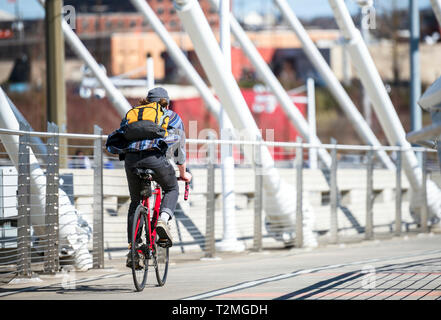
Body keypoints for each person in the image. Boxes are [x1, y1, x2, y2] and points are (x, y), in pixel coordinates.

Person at [106, 87, 191, 268]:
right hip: (155, 159)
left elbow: (122, 135)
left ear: (147, 101)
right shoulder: (171, 116)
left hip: (130, 160)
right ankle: (163, 219)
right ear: (165, 102)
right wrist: (183, 173)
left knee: (135, 202)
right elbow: (178, 148)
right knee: (171, 188)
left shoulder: (134, 114)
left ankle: (134, 250)